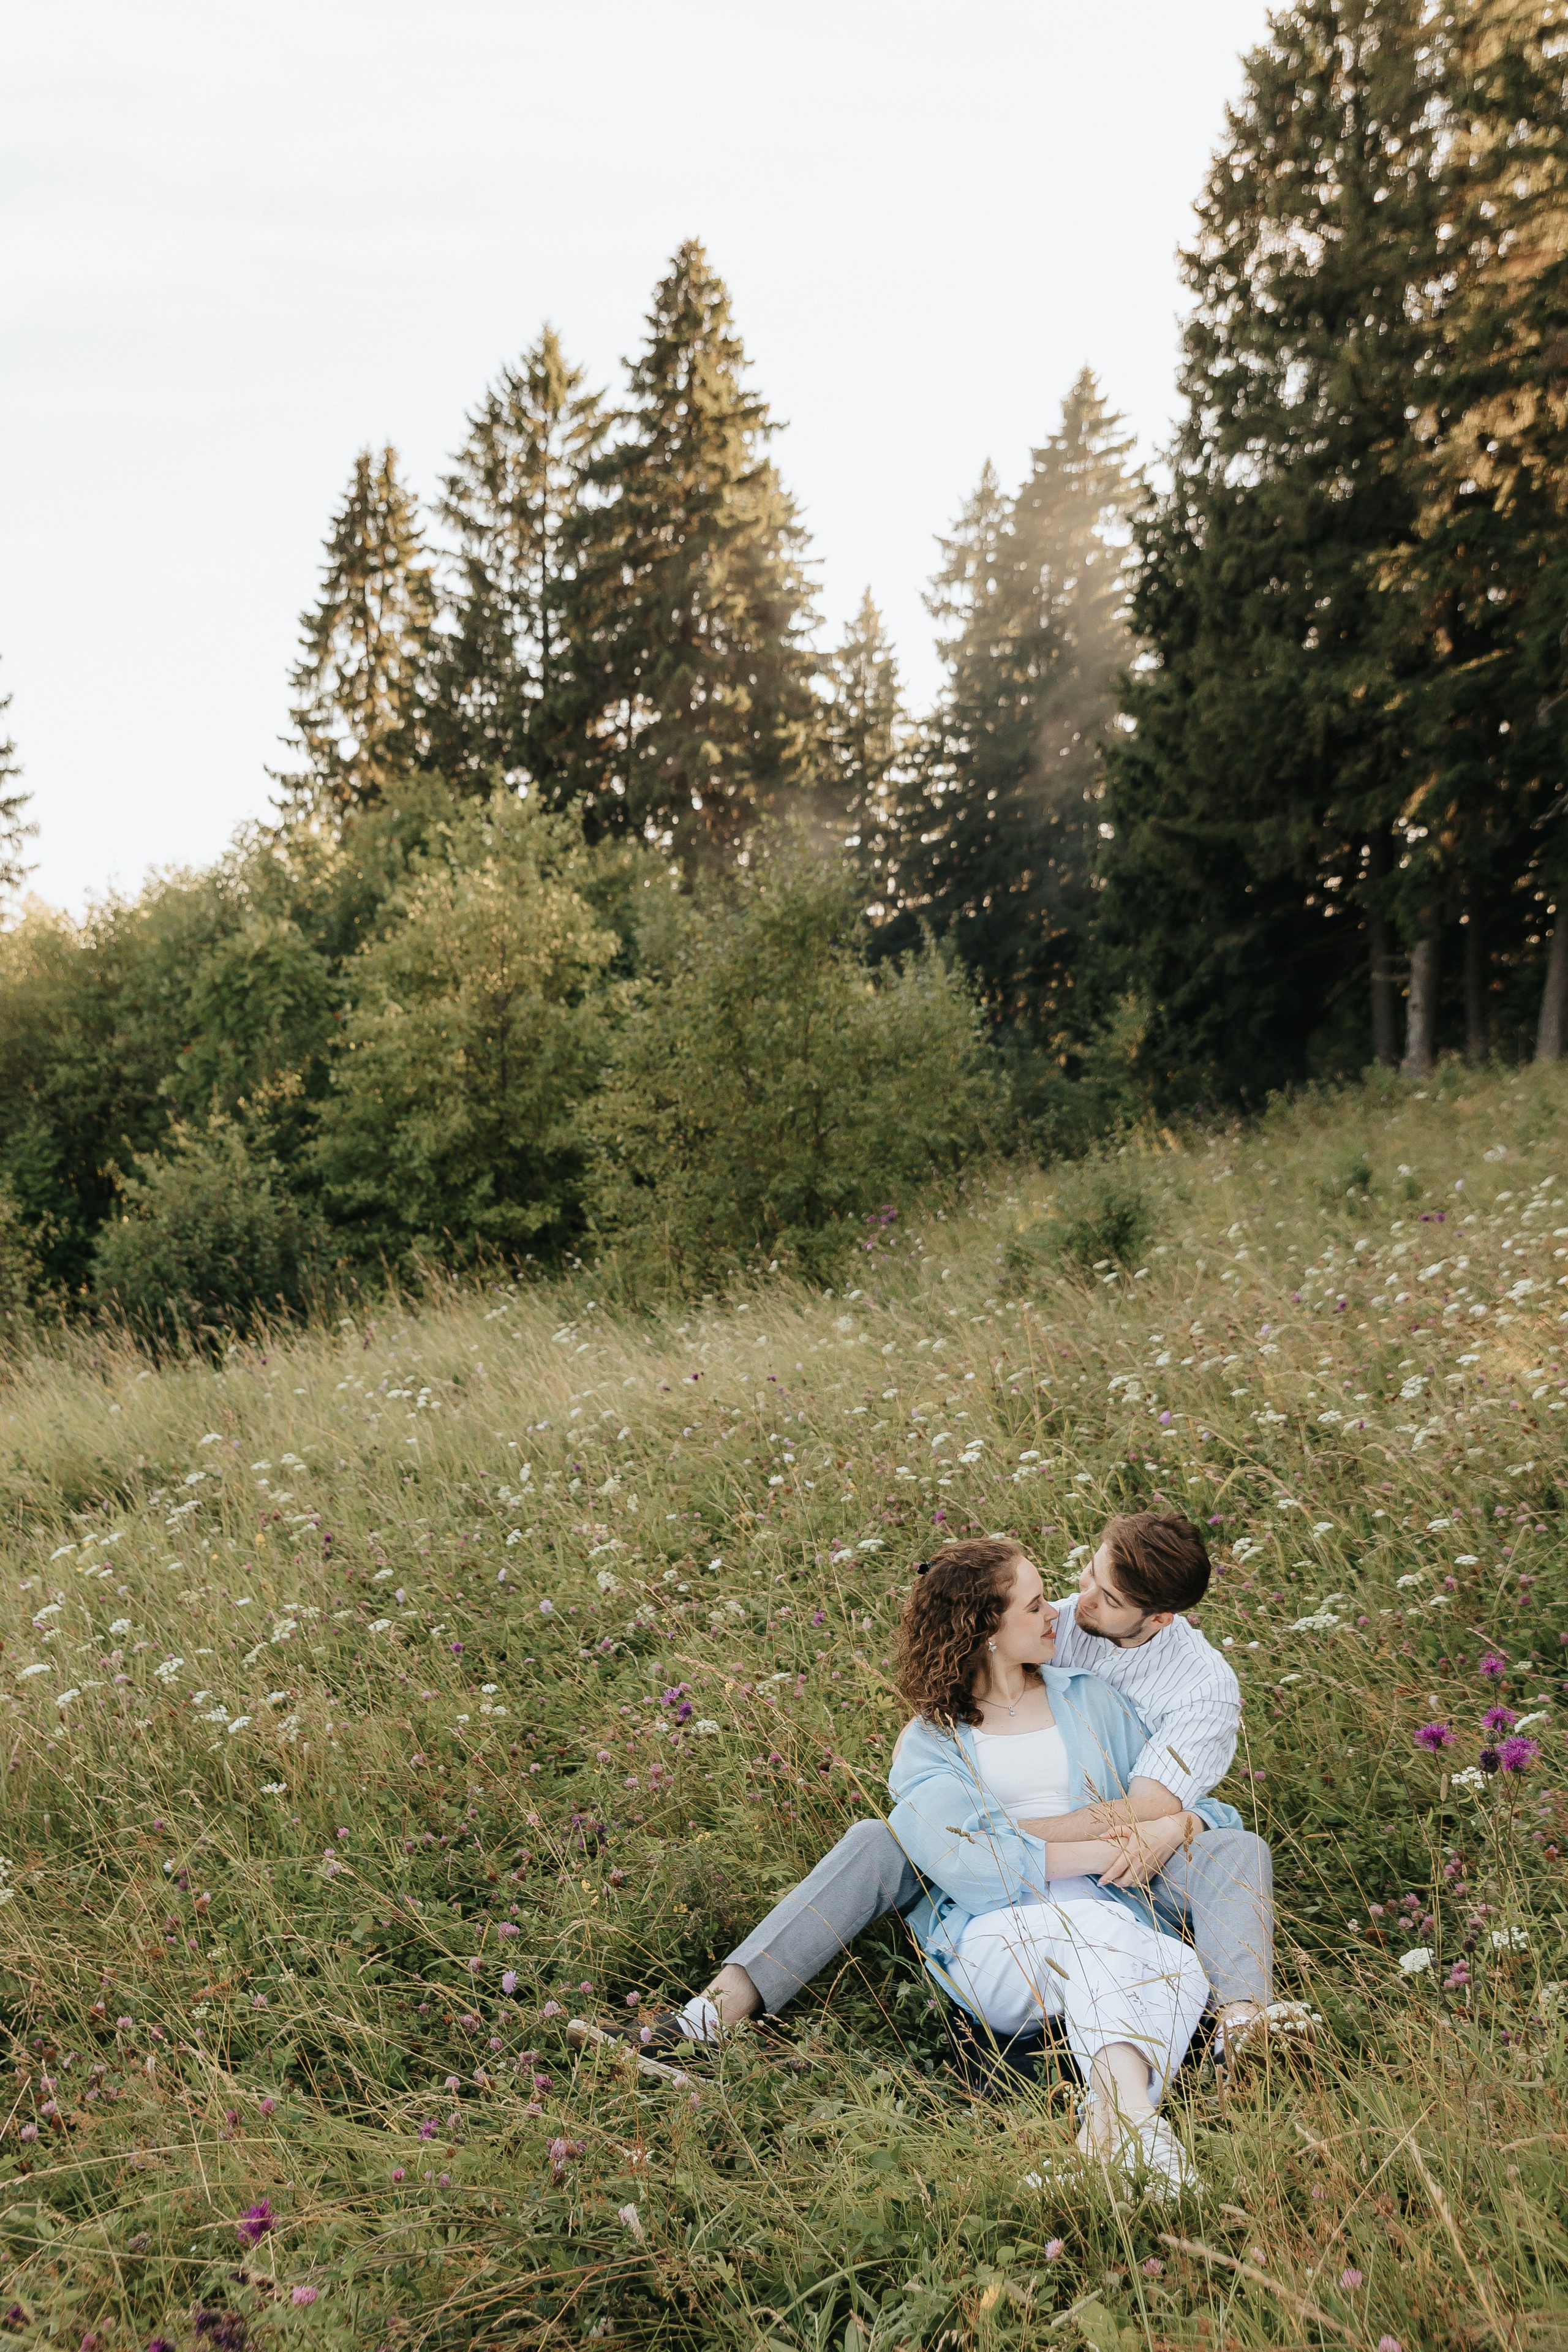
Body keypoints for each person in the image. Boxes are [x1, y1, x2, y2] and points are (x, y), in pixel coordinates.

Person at [657, 1515, 1298, 2066]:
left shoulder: (1157, 1693)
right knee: (878, 1839)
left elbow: (1167, 1804)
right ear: (990, 1629)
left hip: (1113, 1872)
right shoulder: (945, 1726)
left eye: (1099, 1597)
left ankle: (1242, 2033)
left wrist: (1175, 1828)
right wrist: (958, 1843)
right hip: (1008, 1885)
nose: (1069, 1610)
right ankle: (704, 2021)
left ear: (1156, 1617)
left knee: (1234, 1844)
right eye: (1064, 1591)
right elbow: (956, 1829)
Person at [883, 1537, 1219, 2188]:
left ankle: (1113, 2136)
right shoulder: (929, 1741)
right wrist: (1107, 1849)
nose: (1056, 1616)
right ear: (985, 1631)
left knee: (1175, 1964)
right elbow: (975, 1867)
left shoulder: (1090, 1699)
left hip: (1107, 1918)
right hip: (995, 1940)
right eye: (1035, 1606)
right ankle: (1136, 2130)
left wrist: (1180, 1823)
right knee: (1107, 1939)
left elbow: (1202, 1807)